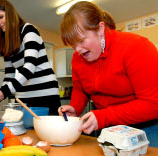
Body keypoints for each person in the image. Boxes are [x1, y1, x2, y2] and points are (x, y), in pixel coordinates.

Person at [58, 1, 158, 147]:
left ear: (100, 28)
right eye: (73, 44)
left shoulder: (135, 47)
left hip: (145, 127)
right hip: (108, 127)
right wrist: (74, 107)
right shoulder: (77, 59)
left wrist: (104, 116)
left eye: (81, 41)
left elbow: (153, 104)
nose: (78, 49)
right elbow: (81, 90)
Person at [0, 0, 61, 115]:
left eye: (0, 17)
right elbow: (9, 75)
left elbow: (29, 67)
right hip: (23, 96)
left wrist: (3, 92)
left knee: (49, 131)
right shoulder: (7, 43)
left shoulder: (28, 30)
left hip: (45, 94)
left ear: (10, 14)